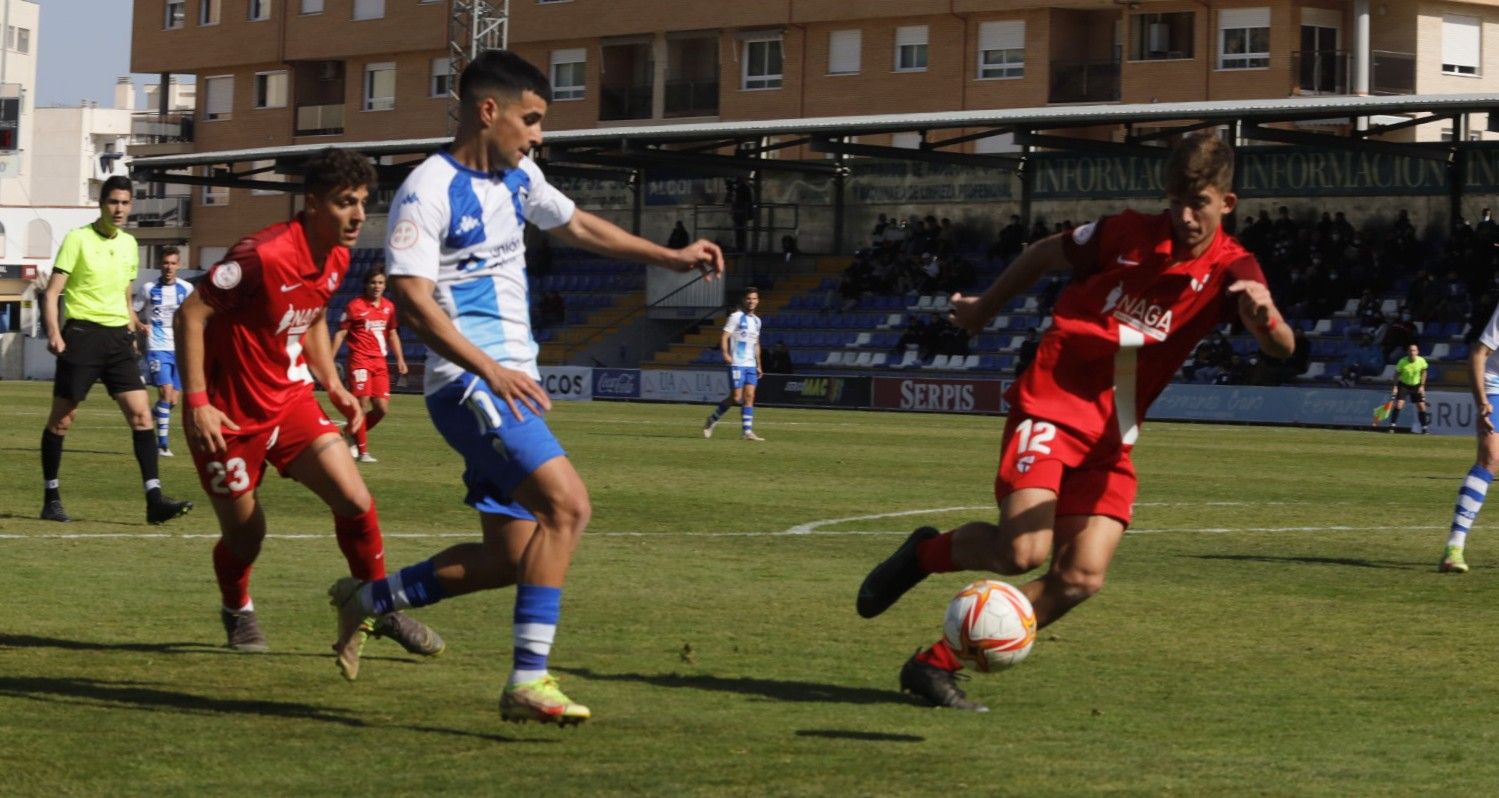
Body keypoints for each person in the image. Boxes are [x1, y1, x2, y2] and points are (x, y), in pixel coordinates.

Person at [326, 50, 724, 725]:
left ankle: (369, 600)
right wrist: (489, 368)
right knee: (567, 507)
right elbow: (413, 299)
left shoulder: (518, 176)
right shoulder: (428, 188)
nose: (539, 134)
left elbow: (573, 224)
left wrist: (669, 254)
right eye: (531, 119)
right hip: (471, 386)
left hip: (507, 383)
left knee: (510, 556)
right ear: (489, 112)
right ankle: (528, 680)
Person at [854, 133, 1294, 711]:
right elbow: (1042, 253)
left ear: (1227, 203)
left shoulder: (1235, 268)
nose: (1186, 217)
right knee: (1021, 553)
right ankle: (925, 554)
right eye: (1177, 202)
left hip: (1113, 436)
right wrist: (983, 309)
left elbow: (1284, 347)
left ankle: (934, 664)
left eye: (1201, 205)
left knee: (1082, 577)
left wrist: (1263, 319)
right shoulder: (1126, 233)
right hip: (1053, 403)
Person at [176, 147, 443, 658]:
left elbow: (314, 315)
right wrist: (198, 403)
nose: (359, 215)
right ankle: (237, 609)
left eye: (363, 202)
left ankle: (378, 606)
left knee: (356, 500)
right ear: (314, 203)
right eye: (346, 202)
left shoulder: (339, 257)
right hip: (227, 415)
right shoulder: (262, 254)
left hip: (288, 399)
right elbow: (191, 315)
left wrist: (332, 382)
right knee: (246, 535)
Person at [37, 175, 193, 524]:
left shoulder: (129, 244)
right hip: (81, 335)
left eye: (124, 203)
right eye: (113, 202)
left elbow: (124, 293)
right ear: (101, 204)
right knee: (63, 420)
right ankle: (51, 497)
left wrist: (132, 321)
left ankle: (154, 500)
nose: (119, 209)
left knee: (141, 415)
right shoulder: (77, 239)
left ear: (131, 206)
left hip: (117, 339)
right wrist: (53, 334)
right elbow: (51, 294)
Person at [1440, 305, 1499, 574]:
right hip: (1495, 385)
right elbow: (1479, 353)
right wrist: (1482, 403)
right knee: (1490, 459)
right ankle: (1455, 547)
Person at [331, 268, 407, 462]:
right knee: (362, 403)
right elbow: (341, 333)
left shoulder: (389, 307)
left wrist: (400, 359)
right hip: (359, 360)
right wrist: (329, 358)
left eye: (380, 283)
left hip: (379, 362)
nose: (376, 286)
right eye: (373, 282)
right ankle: (363, 452)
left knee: (382, 408)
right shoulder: (354, 306)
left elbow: (392, 333)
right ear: (366, 284)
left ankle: (348, 433)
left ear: (385, 285)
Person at [134, 246, 194, 457]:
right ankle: (162, 445)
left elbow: (194, 314)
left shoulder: (186, 289)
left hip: (180, 346)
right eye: (165, 263)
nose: (168, 267)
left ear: (179, 265)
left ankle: (150, 420)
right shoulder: (148, 288)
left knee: (173, 400)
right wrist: (141, 327)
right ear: (160, 264)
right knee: (165, 393)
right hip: (158, 345)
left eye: (172, 263)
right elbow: (132, 311)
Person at [703, 287, 764, 441]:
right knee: (736, 397)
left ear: (758, 301)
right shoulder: (735, 317)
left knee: (749, 396)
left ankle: (747, 432)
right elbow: (724, 336)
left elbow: (756, 344)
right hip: (737, 363)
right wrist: (725, 354)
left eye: (754, 298)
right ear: (744, 300)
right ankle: (712, 419)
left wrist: (759, 364)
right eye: (749, 298)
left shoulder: (757, 321)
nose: (752, 301)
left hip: (750, 364)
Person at [1386, 343, 1431, 433]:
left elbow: (1424, 373)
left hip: (1416, 385)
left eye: (1414, 350)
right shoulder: (1402, 361)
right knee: (1399, 404)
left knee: (1421, 406)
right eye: (1410, 350)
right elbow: (1396, 374)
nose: (1412, 352)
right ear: (1407, 352)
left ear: (1417, 352)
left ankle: (1424, 428)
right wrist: (1395, 386)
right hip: (1404, 384)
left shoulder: (1421, 361)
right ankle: (1392, 426)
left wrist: (1422, 386)